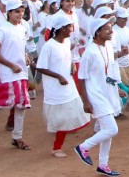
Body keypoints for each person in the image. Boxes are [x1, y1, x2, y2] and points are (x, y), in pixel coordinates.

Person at [73, 16, 125, 177]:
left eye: (111, 27)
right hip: (95, 94)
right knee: (111, 129)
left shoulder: (107, 47)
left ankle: (103, 164)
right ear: (97, 32)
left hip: (107, 92)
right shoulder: (90, 52)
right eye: (107, 28)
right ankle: (83, 147)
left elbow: (109, 70)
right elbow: (81, 77)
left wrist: (117, 87)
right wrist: (85, 100)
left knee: (106, 130)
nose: (111, 31)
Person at [35, 12, 90, 157]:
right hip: (55, 87)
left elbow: (67, 57)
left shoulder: (66, 43)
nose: (71, 30)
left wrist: (71, 65)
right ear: (61, 29)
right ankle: (56, 148)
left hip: (68, 84)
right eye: (69, 27)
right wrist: (58, 76)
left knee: (72, 111)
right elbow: (40, 67)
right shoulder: (49, 46)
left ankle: (59, 145)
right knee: (61, 118)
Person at [0, 0, 31, 149]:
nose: (20, 14)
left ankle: (17, 136)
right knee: (19, 102)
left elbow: (20, 46)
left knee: (21, 104)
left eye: (21, 11)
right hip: (9, 71)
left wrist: (25, 56)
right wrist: (11, 65)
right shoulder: (3, 29)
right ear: (9, 13)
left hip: (21, 70)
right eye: (16, 11)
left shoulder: (21, 28)